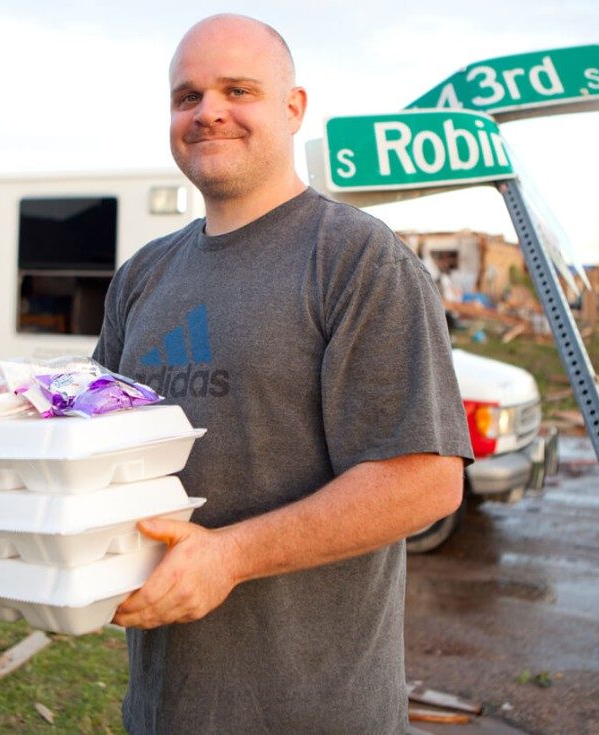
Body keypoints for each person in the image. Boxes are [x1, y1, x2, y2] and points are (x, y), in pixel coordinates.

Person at [92, 14, 473, 734]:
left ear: (294, 108)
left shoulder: (358, 260)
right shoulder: (142, 275)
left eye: (239, 90)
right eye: (187, 96)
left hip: (316, 713)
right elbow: (98, 457)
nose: (208, 111)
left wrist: (229, 556)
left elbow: (426, 476)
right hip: (163, 710)